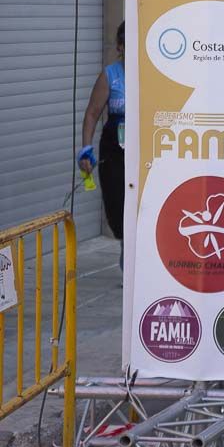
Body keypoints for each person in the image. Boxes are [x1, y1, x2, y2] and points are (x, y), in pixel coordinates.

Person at [79, 22, 126, 266]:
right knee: (117, 204)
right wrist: (85, 150)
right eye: (127, 44)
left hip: (148, 147)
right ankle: (126, 249)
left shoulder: (155, 75)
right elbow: (91, 114)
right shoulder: (110, 75)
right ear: (120, 46)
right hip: (114, 150)